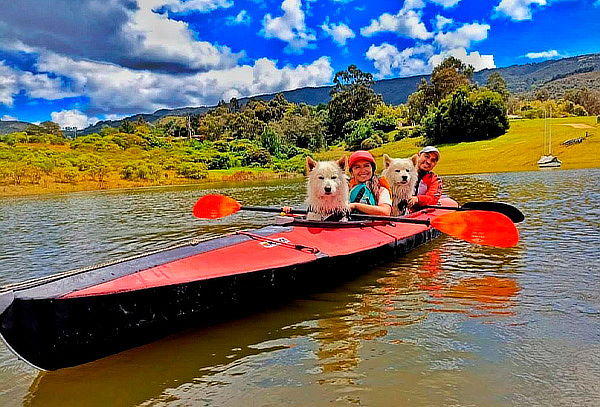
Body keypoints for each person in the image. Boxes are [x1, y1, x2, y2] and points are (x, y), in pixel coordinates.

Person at [347, 150, 392, 216]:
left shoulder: (380, 190)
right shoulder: (346, 190)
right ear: (351, 172)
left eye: (366, 166)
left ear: (372, 169)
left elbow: (385, 212)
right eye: (357, 167)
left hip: (373, 225)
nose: (362, 170)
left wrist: (355, 206)